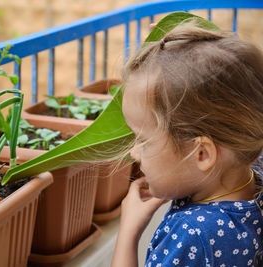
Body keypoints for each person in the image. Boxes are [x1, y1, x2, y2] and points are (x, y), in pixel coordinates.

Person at [111, 19, 263, 267]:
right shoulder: (252, 167)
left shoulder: (191, 235)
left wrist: (128, 232)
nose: (134, 152)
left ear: (201, 154)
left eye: (144, 140)